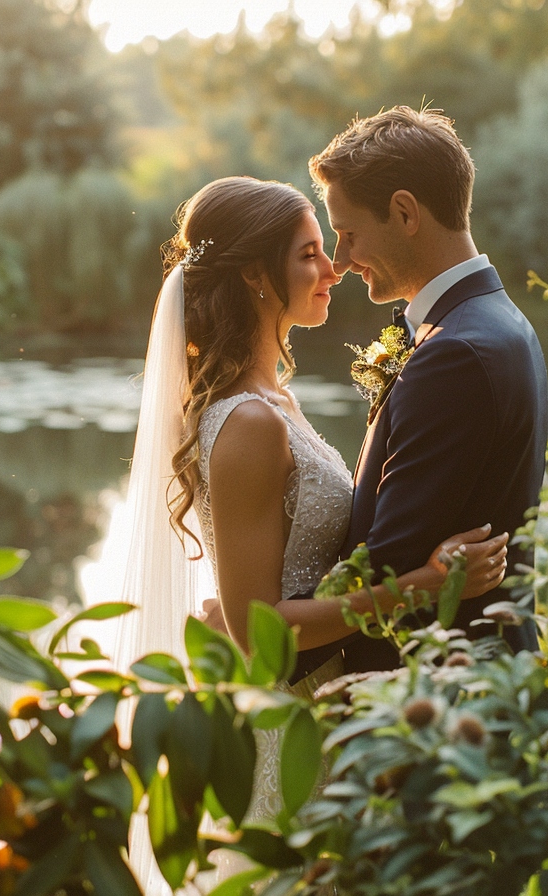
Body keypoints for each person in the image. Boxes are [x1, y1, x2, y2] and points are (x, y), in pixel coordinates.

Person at [111, 174, 508, 894]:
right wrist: (422, 586)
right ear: (255, 277)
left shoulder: (275, 402)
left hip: (334, 704)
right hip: (297, 727)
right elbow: (260, 629)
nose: (334, 270)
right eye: (309, 255)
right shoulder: (250, 424)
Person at [296, 105, 548, 677]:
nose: (341, 260)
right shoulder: (497, 322)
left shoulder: (454, 354)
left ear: (405, 213)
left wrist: (259, 634)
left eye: (348, 233)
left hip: (433, 695)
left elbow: (388, 564)